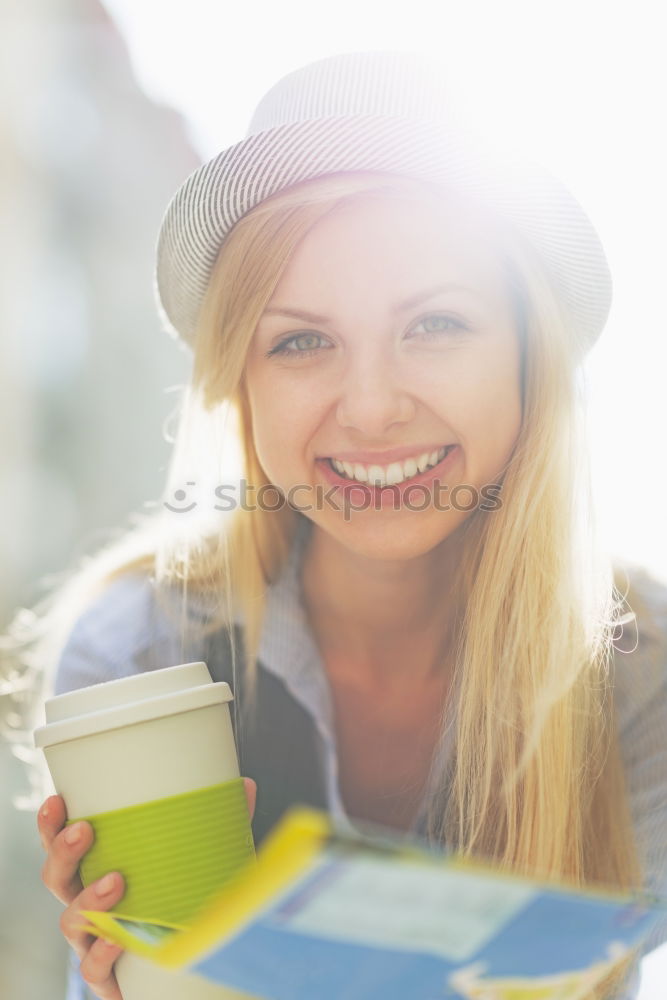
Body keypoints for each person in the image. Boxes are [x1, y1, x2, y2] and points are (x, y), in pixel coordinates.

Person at [2, 51, 665, 1000]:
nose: (370, 408)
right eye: (300, 340)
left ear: (529, 359)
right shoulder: (140, 649)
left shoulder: (641, 671)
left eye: (435, 324)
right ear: (241, 384)